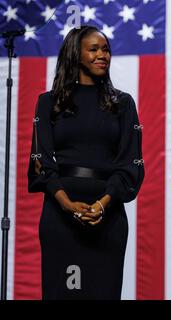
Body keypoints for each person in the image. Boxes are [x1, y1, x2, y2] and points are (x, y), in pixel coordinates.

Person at [27, 25, 144, 299]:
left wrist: (103, 205)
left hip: (108, 212)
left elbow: (131, 162)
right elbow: (40, 159)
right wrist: (66, 204)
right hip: (60, 212)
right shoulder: (48, 102)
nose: (103, 55)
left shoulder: (123, 103)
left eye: (106, 50)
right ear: (75, 55)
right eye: (94, 49)